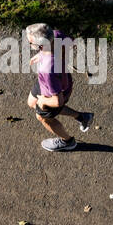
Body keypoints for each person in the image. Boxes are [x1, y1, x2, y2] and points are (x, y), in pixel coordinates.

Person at [24, 23, 93, 151]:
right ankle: (82, 117)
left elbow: (57, 101)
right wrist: (42, 54)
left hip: (53, 91)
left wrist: (43, 100)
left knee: (43, 117)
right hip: (53, 82)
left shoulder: (47, 69)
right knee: (31, 102)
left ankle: (67, 141)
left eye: (30, 43)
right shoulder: (57, 35)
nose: (29, 45)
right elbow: (71, 42)